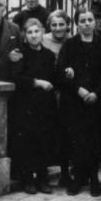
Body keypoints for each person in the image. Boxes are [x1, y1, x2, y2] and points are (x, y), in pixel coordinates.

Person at [57, 8, 101, 197]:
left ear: (94, 22)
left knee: (95, 141)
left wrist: (96, 93)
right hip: (75, 101)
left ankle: (94, 180)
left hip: (96, 102)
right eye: (83, 20)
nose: (87, 23)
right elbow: (61, 71)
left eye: (90, 19)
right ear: (77, 24)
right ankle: (78, 179)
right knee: (77, 142)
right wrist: (79, 90)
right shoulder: (70, 45)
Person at [9, 18, 57, 195]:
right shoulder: (20, 53)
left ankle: (42, 179)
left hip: (45, 105)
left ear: (43, 32)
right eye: (29, 32)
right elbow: (16, 77)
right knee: (27, 142)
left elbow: (55, 77)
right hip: (26, 105)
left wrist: (67, 73)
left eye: (37, 31)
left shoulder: (49, 55)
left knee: (43, 141)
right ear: (24, 35)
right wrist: (37, 82)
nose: (34, 35)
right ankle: (28, 180)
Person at [42, 10, 72, 187]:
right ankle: (43, 173)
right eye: (54, 25)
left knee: (66, 134)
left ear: (67, 25)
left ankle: (66, 172)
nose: (58, 28)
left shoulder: (73, 41)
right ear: (49, 26)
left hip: (67, 93)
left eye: (62, 24)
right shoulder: (43, 40)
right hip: (48, 92)